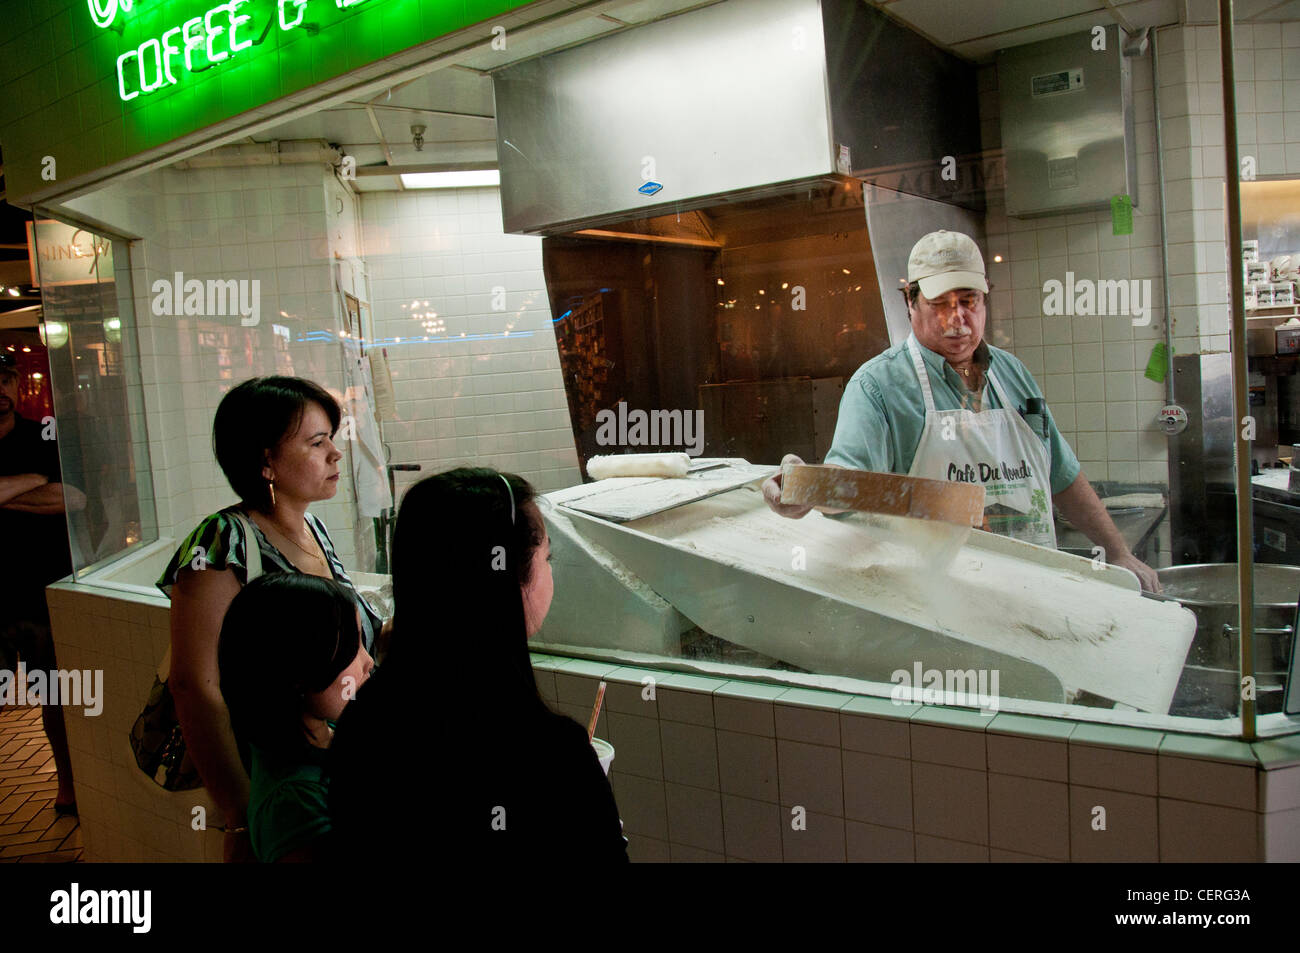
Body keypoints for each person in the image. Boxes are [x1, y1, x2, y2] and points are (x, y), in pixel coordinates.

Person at [762, 229, 1162, 593]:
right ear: (910, 302)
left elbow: (1061, 473)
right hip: (943, 605)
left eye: (968, 302)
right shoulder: (878, 386)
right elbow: (850, 484)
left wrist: (1116, 551)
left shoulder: (1012, 373)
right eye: (939, 303)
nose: (958, 320)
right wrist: (806, 488)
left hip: (1038, 592)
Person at [328, 467, 628, 864]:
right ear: (510, 580)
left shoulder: (362, 724)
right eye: (547, 557)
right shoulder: (548, 753)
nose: (550, 572)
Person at [156, 376, 384, 862]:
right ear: (265, 460)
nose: (335, 455)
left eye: (332, 439)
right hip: (275, 784)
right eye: (317, 442)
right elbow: (194, 685)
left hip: (329, 770)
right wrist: (239, 816)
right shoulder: (222, 541)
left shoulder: (313, 527)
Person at [217, 573, 373, 863]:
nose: (368, 662)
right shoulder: (294, 803)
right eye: (353, 648)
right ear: (299, 671)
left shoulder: (322, 729)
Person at [0, 351, 86, 814]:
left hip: (42, 591)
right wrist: (34, 485)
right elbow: (52, 494)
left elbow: (73, 496)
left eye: (7, 378)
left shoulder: (44, 436)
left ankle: (68, 785)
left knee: (54, 699)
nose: (3, 389)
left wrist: (7, 489)